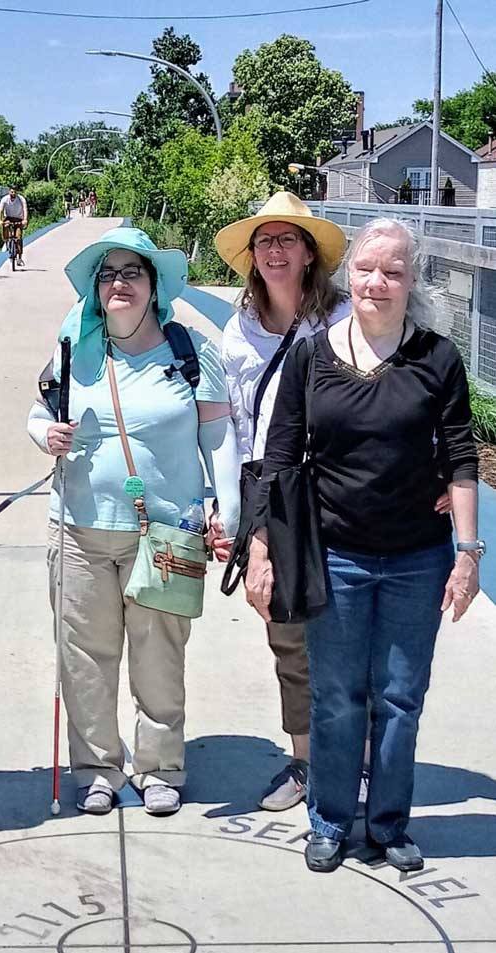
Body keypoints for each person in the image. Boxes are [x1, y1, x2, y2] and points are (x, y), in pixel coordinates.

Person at [246, 218, 481, 873]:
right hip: (336, 556)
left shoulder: (438, 358)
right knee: (336, 698)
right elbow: (278, 459)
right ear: (348, 273)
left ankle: (386, 825)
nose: (377, 282)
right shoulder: (308, 356)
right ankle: (326, 820)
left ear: (411, 281)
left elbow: (461, 458)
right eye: (367, 269)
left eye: (394, 272)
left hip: (416, 557)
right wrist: (262, 551)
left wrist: (467, 553)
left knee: (400, 698)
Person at [27, 227, 241, 816]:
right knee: (85, 657)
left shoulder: (192, 352)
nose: (119, 283)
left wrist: (229, 508)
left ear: (154, 285)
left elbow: (218, 437)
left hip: (168, 533)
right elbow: (38, 412)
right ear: (96, 288)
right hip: (78, 529)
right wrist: (45, 433)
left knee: (160, 655)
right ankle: (98, 768)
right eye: (108, 274)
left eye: (132, 272)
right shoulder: (74, 348)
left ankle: (160, 766)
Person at [215, 192, 350, 811]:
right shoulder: (236, 332)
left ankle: (358, 762)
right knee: (287, 634)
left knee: (348, 631)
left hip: (341, 489)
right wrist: (237, 513)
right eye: (264, 241)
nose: (274, 250)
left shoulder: (343, 318)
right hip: (273, 492)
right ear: (252, 257)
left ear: (308, 253)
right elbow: (232, 426)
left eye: (287, 240)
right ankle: (304, 760)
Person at [0, 185, 28, 266]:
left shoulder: (21, 199)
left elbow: (25, 209)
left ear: (17, 192)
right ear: (9, 192)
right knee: (5, 225)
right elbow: (0, 210)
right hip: (9, 217)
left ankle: (19, 258)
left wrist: (25, 220)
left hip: (18, 218)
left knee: (18, 237)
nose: (13, 193)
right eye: (11, 192)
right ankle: (6, 241)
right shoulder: (5, 199)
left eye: (14, 192)